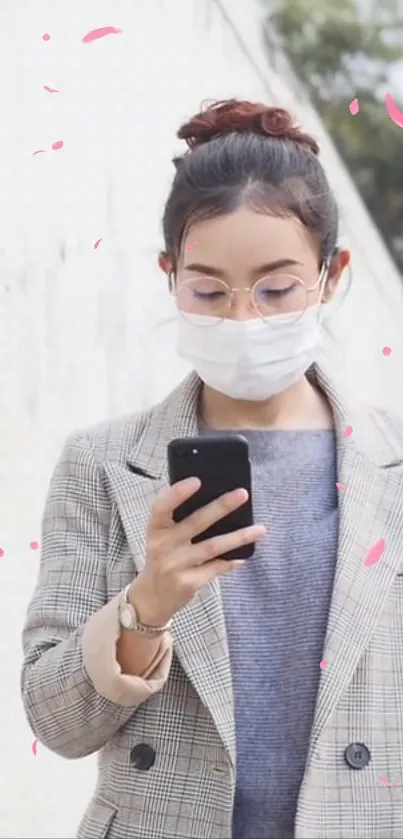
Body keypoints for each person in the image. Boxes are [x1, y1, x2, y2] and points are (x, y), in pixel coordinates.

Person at [20, 99, 403, 839]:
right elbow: (56, 720)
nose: (240, 317)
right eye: (207, 289)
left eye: (275, 287)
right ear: (169, 276)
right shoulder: (102, 464)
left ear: (330, 274)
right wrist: (147, 604)